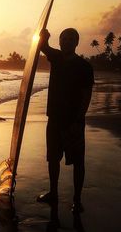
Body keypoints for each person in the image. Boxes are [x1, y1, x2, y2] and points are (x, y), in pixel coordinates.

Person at [37, 28, 94, 213]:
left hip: (73, 122)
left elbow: (86, 96)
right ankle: (53, 192)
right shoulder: (56, 57)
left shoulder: (84, 66)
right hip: (54, 119)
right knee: (53, 159)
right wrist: (44, 35)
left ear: (76, 43)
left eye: (71, 39)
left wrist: (78, 120)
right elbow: (42, 46)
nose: (67, 42)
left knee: (78, 162)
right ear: (60, 41)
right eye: (64, 39)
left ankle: (77, 200)